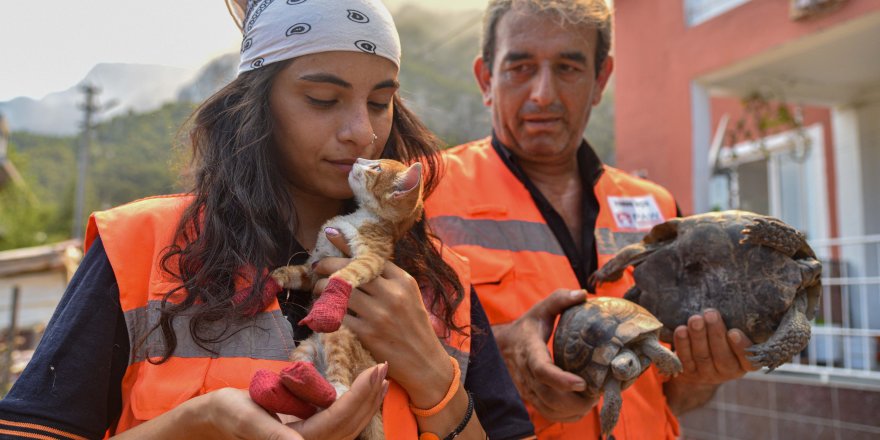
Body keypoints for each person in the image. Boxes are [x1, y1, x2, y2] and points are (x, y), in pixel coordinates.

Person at [0, 1, 535, 439]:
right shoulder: (140, 247)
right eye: (323, 99)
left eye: (379, 102)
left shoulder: (438, 279)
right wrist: (197, 420)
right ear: (256, 105)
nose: (361, 132)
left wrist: (437, 383)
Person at [424, 0, 760, 438]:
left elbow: (675, 395)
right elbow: (381, 357)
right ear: (486, 79)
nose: (543, 93)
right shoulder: (423, 194)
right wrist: (497, 353)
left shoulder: (658, 210)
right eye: (520, 67)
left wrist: (704, 373)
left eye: (568, 68)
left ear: (601, 80)